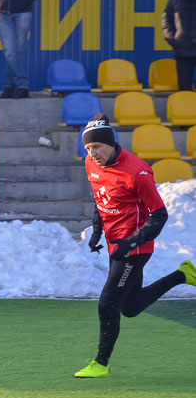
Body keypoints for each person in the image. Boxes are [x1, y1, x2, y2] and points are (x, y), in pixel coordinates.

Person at [74, 113, 196, 378]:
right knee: (130, 308)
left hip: (135, 247)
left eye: (96, 147)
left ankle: (100, 363)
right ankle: (182, 274)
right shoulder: (90, 163)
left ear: (111, 143)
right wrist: (97, 229)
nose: (92, 153)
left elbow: (159, 215)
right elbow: (99, 196)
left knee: (107, 304)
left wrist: (131, 242)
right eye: (88, 148)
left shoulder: (137, 172)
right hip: (115, 244)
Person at [0, 0, 40, 98]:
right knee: (10, 51)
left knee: (18, 51)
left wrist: (26, 0)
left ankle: (8, 86)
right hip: (1, 12)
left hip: (23, 12)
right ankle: (22, 85)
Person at [161, 0, 196, 91]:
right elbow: (166, 19)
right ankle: (185, 106)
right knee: (184, 89)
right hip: (182, 51)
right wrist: (173, 40)